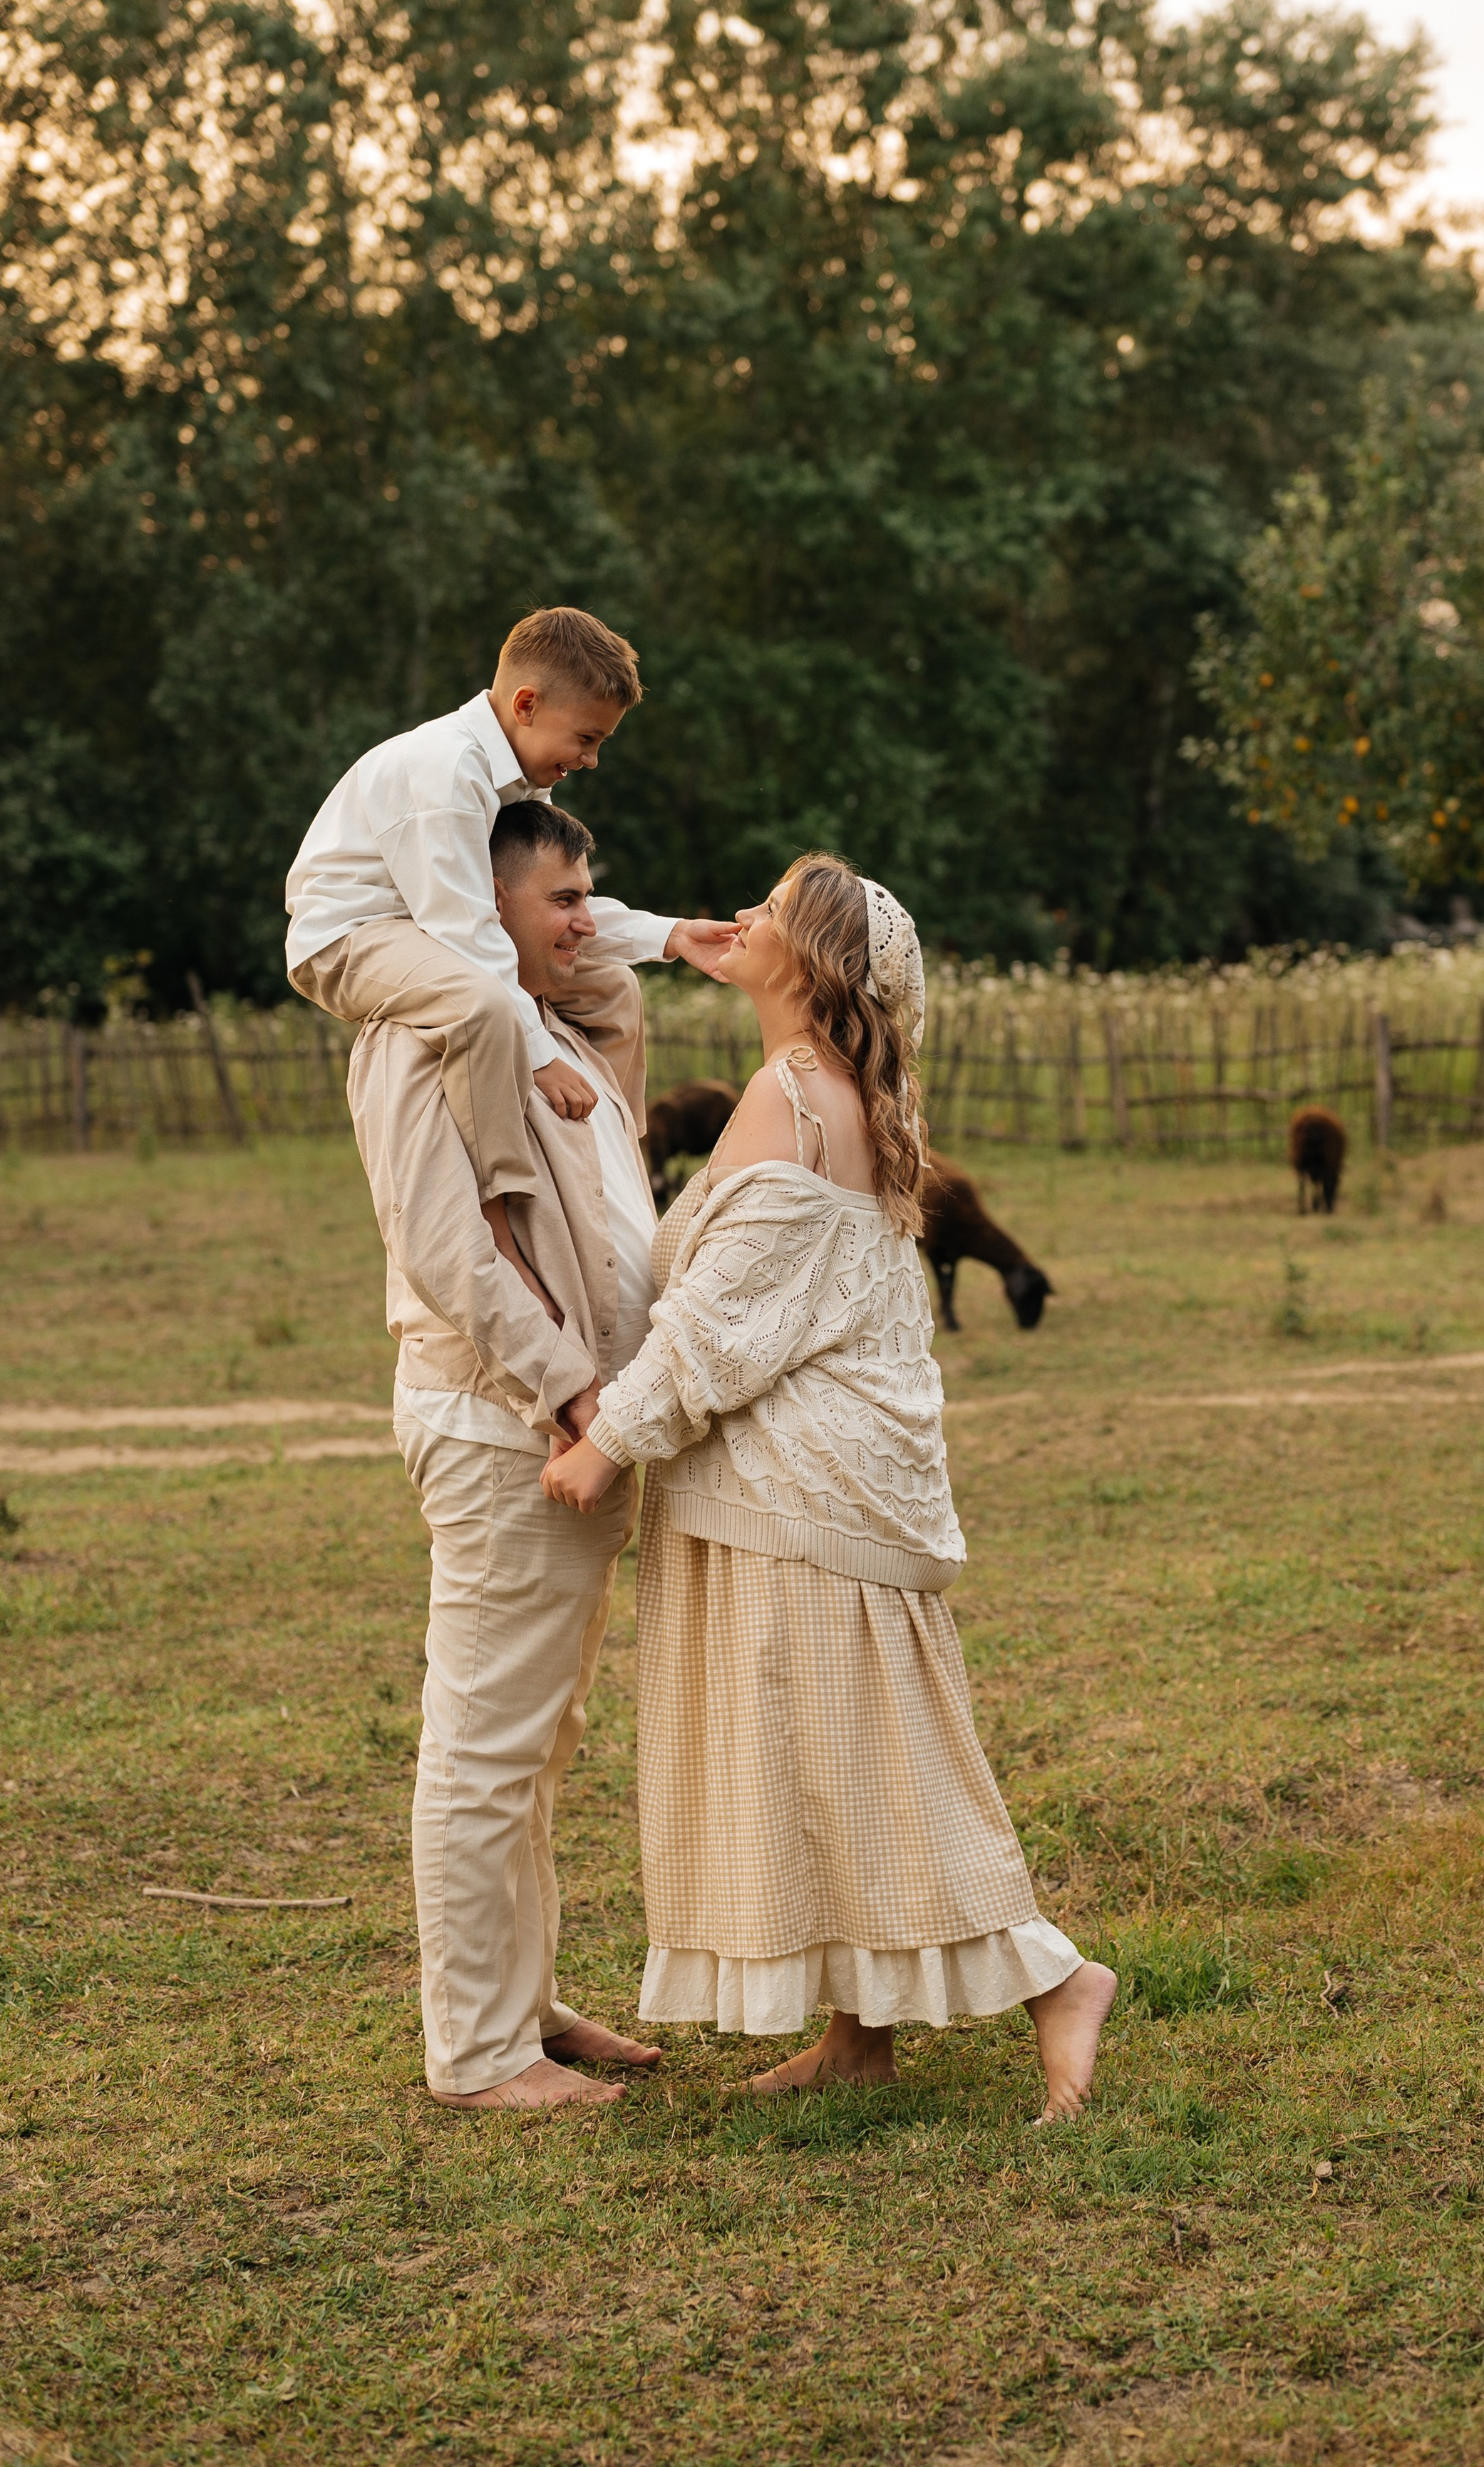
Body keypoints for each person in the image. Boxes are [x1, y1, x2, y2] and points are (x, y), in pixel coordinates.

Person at [541, 855, 1118, 2121]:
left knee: (870, 1755)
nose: (742, 917)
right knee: (826, 1756)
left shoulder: (793, 1091)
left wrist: (607, 1440)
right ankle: (858, 2036)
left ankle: (1058, 1977)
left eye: (772, 911)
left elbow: (720, 1323)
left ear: (813, 964)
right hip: (824, 1478)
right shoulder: (836, 1088)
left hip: (798, 1490)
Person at [347, 799, 666, 2111]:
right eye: (563, 898)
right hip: (506, 1425)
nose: (588, 920)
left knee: (540, 1734)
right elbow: (450, 1248)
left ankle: (523, 1997)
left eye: (593, 893)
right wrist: (575, 1393)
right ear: (480, 911)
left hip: (568, 1422)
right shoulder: (423, 1035)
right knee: (486, 1742)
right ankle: (477, 2052)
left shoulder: (543, 1026)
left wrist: (583, 963)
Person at [287, 604, 734, 1203]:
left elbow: (548, 905)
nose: (592, 759)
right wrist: (541, 1057)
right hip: (353, 937)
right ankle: (505, 1193)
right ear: (526, 706)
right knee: (482, 1004)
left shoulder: (520, 779)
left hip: (427, 928)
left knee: (613, 992)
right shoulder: (447, 771)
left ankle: (621, 1160)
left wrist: (672, 935)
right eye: (586, 737)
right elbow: (465, 931)